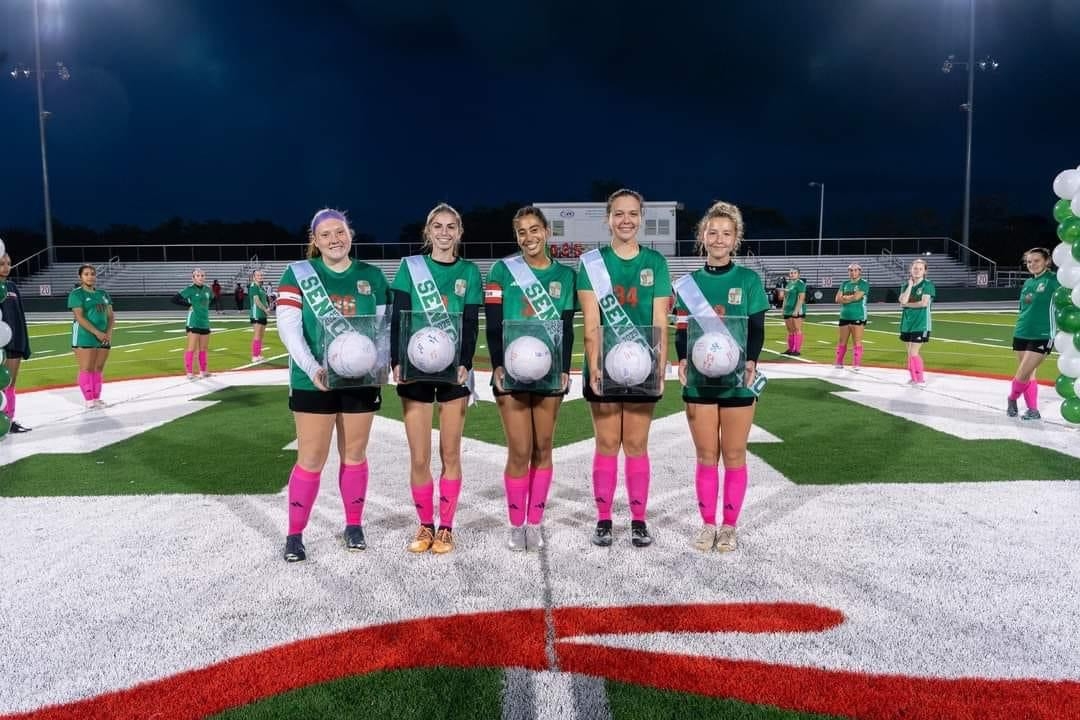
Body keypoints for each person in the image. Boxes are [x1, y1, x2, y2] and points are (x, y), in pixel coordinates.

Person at [275, 208, 391, 562]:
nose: (334, 239)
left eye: (339, 232)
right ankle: (295, 534)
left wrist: (379, 365)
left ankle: (353, 524)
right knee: (311, 458)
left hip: (360, 382)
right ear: (315, 240)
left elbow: (383, 331)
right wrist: (312, 369)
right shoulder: (297, 274)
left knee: (354, 455)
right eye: (325, 235)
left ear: (350, 234)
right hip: (314, 382)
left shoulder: (372, 276)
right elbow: (289, 329)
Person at [577, 188, 671, 548]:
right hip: (602, 367)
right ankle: (603, 519)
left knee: (635, 444)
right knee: (606, 442)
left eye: (632, 214)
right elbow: (590, 320)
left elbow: (659, 317)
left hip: (642, 368)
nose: (626, 220)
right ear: (608, 219)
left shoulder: (656, 263)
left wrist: (659, 368)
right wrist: (596, 365)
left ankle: (637, 519)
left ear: (641, 218)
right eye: (619, 213)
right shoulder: (591, 263)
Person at [674, 201, 769, 553]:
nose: (718, 239)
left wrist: (752, 362)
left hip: (738, 384)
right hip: (699, 382)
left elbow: (757, 328)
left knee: (733, 454)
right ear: (702, 236)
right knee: (705, 456)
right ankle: (707, 524)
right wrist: (682, 358)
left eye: (726, 233)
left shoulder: (748, 280)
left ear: (735, 239)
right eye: (712, 232)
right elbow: (681, 328)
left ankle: (729, 526)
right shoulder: (689, 284)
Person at [390, 203, 482, 555]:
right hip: (414, 370)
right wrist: (396, 360)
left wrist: (466, 362)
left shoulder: (470, 271)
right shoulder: (410, 267)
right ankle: (425, 524)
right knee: (419, 456)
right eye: (438, 227)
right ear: (428, 232)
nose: (444, 233)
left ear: (460, 232)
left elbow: (472, 321)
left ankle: (446, 527)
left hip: (452, 372)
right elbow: (399, 315)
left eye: (451, 227)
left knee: (450, 453)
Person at [485, 206, 576, 551]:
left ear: (547, 232)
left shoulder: (566, 276)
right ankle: (515, 523)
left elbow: (566, 328)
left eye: (534, 229)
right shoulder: (502, 270)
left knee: (543, 448)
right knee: (520, 449)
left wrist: (565, 368)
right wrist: (497, 365)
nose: (529, 237)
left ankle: (534, 522)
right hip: (510, 373)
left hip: (549, 373)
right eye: (522, 232)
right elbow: (493, 323)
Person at [1007, 247, 1060, 420]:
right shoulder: (1028, 282)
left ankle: (1012, 398)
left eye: (1037, 261)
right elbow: (1023, 308)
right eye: (1029, 262)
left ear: (1047, 261)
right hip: (1022, 332)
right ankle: (1033, 409)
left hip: (1043, 334)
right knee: (1029, 374)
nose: (1032, 264)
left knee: (1023, 373)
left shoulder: (1055, 280)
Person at [67, 264, 115, 409]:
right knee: (86, 368)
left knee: (98, 367)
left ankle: (96, 398)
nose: (90, 276)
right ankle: (89, 400)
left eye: (92, 274)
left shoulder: (103, 294)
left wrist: (108, 333)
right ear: (80, 277)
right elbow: (79, 317)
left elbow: (111, 316)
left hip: (103, 336)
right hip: (84, 335)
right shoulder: (76, 294)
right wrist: (97, 333)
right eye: (86, 274)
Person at [0, 251, 33, 432]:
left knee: (9, 383)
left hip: (14, 344)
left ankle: (9, 420)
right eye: (1, 264)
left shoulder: (12, 286)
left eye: (9, 263)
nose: (6, 267)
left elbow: (20, 317)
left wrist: (24, 344)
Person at [898, 258, 935, 386]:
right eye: (915, 268)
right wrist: (909, 285)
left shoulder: (927, 285)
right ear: (910, 270)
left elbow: (923, 303)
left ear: (925, 271)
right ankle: (913, 377)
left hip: (921, 323)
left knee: (914, 352)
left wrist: (906, 304)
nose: (917, 271)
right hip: (907, 323)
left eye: (920, 269)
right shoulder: (905, 285)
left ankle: (920, 379)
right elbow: (902, 301)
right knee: (909, 353)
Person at [172, 268, 213, 379]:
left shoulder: (208, 289)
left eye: (202, 275)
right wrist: (188, 305)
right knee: (191, 348)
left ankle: (203, 371)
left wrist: (203, 308)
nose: (201, 277)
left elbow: (212, 300)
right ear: (193, 278)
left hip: (204, 322)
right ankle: (189, 373)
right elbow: (174, 299)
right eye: (198, 275)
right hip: (193, 321)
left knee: (203, 348)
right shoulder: (190, 289)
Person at [834, 263, 870, 370]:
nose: (853, 272)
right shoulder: (844, 283)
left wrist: (844, 298)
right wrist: (850, 297)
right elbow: (837, 299)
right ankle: (839, 362)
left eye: (855, 270)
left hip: (858, 315)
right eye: (850, 270)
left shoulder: (863, 283)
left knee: (857, 341)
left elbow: (857, 297)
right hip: (844, 315)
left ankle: (856, 364)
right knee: (842, 341)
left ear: (859, 271)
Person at [779, 268, 806, 355]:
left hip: (796, 309)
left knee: (797, 329)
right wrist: (783, 309)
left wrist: (796, 310)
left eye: (794, 273)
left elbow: (801, 298)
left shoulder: (800, 284)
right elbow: (785, 298)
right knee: (790, 330)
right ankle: (790, 349)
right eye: (791, 273)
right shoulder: (789, 284)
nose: (792, 274)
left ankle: (797, 350)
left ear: (798, 274)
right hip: (788, 309)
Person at [248, 270, 270, 363]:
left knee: (261, 336)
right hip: (256, 314)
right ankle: (255, 355)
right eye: (258, 275)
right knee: (257, 335)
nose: (260, 276)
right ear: (254, 277)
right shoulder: (253, 287)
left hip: (263, 314)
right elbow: (256, 301)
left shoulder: (261, 287)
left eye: (261, 275)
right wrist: (265, 309)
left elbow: (264, 300)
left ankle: (259, 354)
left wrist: (267, 307)